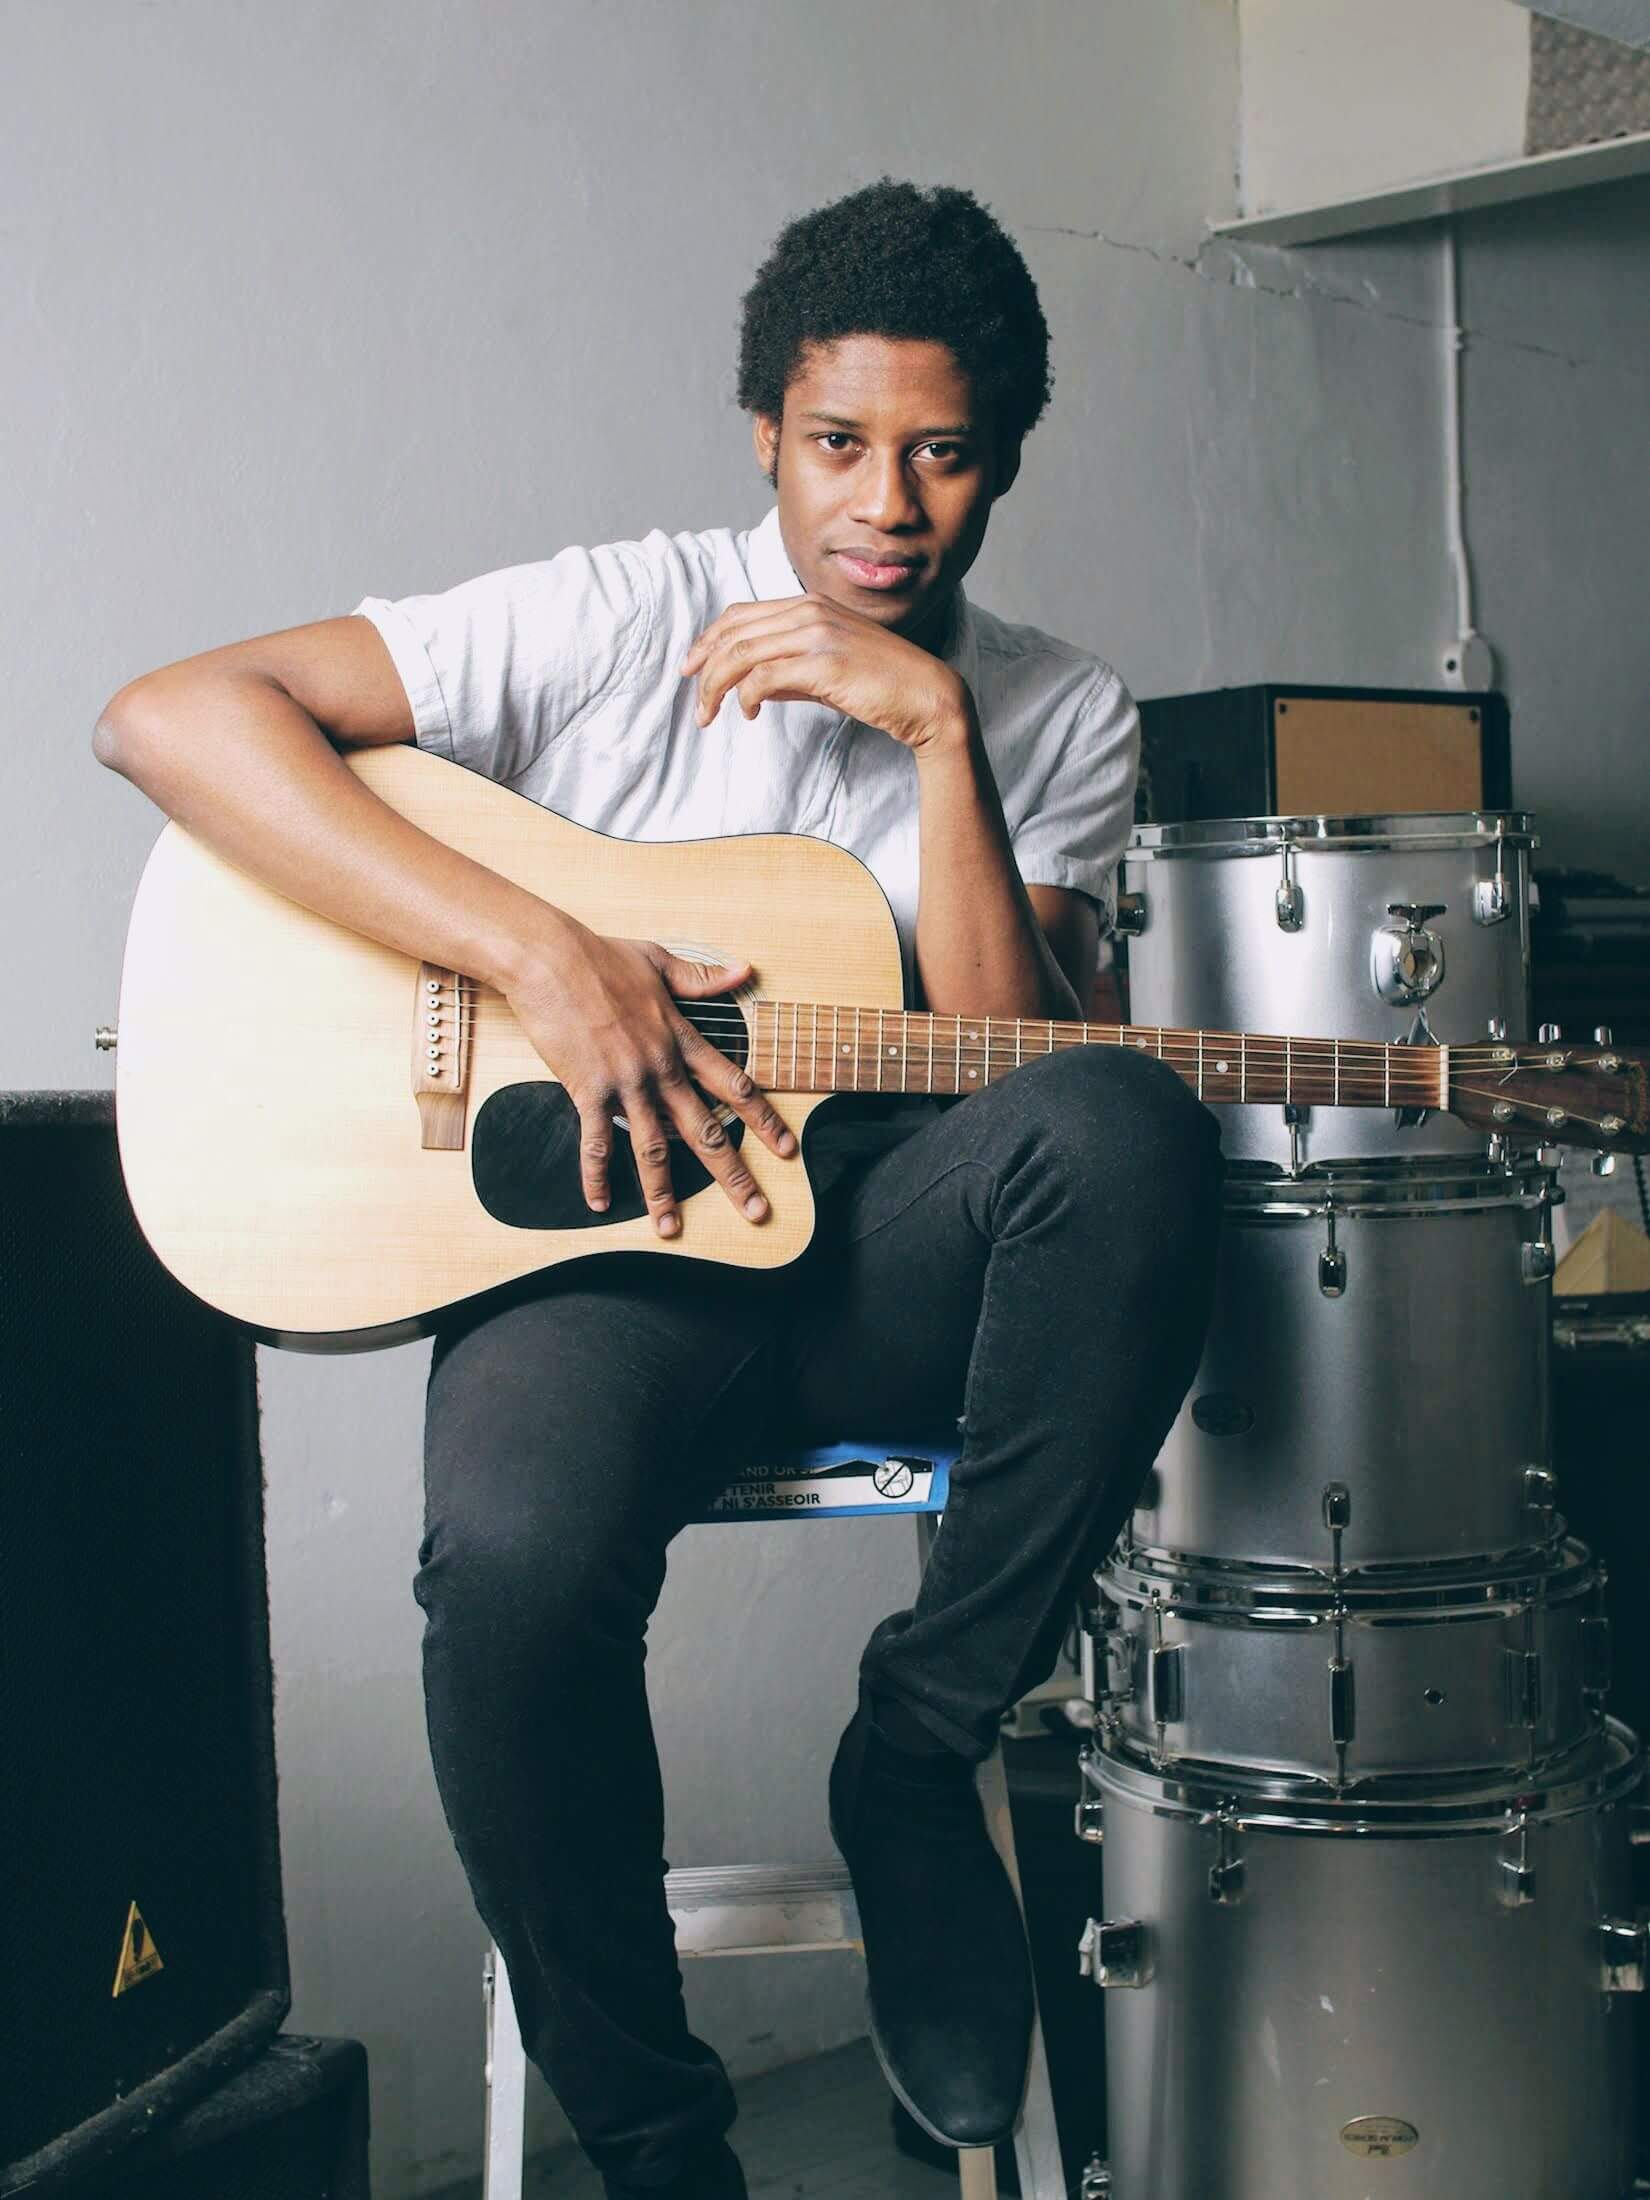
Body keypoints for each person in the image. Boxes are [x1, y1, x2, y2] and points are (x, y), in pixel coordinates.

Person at [96, 178, 1223, 2199]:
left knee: (1130, 1120)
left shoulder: (1058, 708)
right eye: (838, 442)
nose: (886, 505)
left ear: (1002, 465)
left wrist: (938, 736)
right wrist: (545, 955)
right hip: (603, 1263)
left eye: (943, 455)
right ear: (766, 432)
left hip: (879, 1254)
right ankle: (656, 2148)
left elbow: (1019, 1070)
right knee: (511, 1583)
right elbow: (168, 716)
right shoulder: (611, 614)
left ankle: (919, 1748)